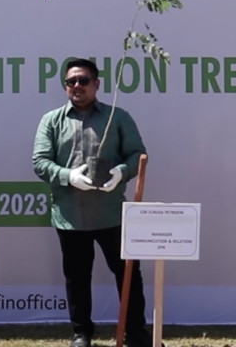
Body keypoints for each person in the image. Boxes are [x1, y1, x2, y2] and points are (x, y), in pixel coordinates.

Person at [32, 58, 153, 347]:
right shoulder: (52, 120)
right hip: (70, 215)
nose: (77, 86)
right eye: (71, 81)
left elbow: (138, 154)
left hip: (111, 214)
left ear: (96, 84)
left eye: (83, 80)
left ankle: (135, 332)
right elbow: (40, 161)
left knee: (127, 274)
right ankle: (81, 332)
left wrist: (121, 172)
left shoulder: (117, 117)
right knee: (76, 277)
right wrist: (68, 176)